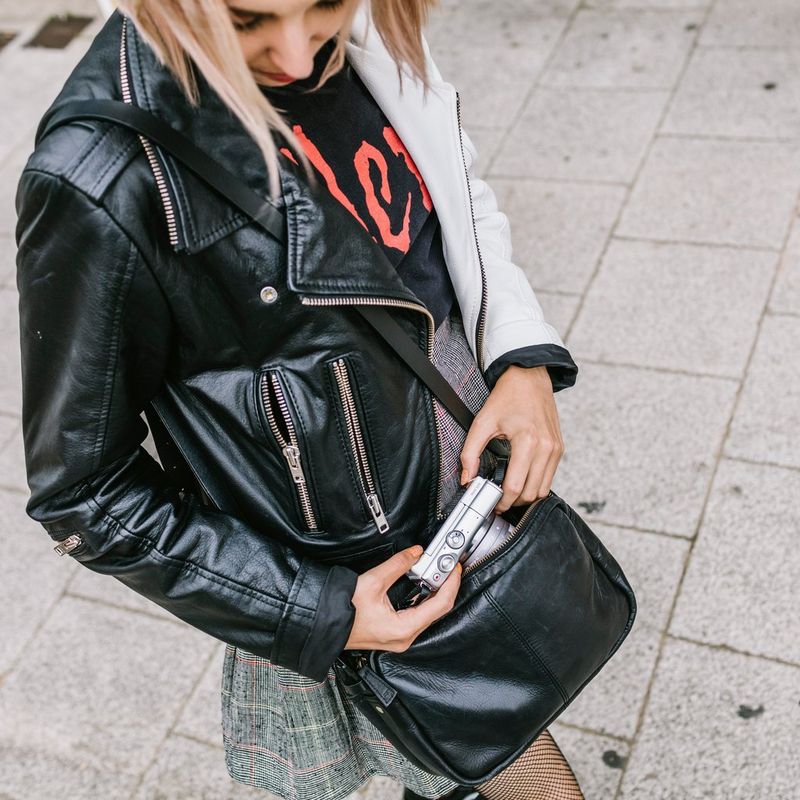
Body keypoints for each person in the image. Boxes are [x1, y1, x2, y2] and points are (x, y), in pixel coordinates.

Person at [14, 0, 584, 798]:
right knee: (496, 757)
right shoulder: (100, 176)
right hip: (356, 561)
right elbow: (82, 492)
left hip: (457, 447)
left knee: (477, 735)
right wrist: (318, 610)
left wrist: (519, 356)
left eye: (321, 3)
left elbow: (452, 191)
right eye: (249, 20)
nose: (294, 53)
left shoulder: (368, 28)